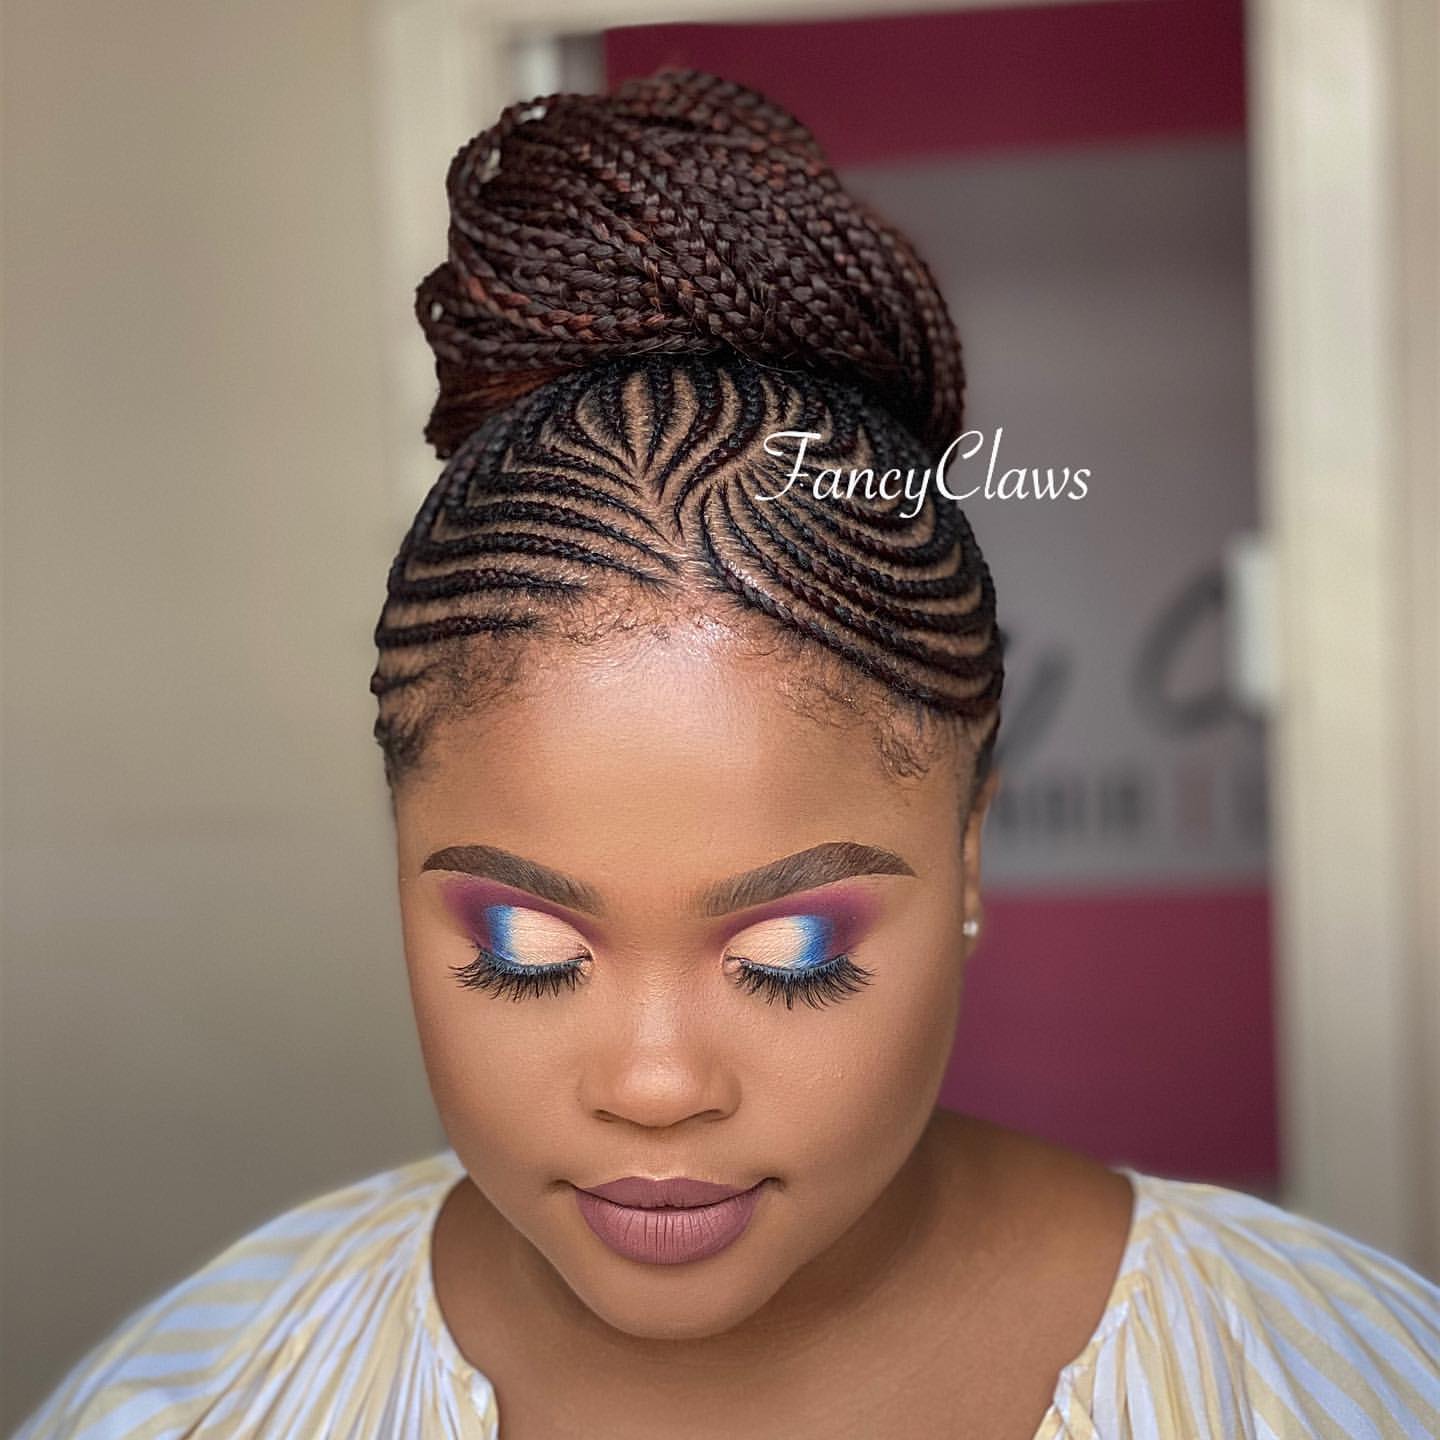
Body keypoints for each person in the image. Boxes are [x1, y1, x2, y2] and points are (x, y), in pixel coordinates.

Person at [15, 68, 1439, 1440]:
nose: (654, 1087)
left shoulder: (1322, 1386)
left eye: (792, 950)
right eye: (523, 943)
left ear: (968, 854)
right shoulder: (204, 1401)